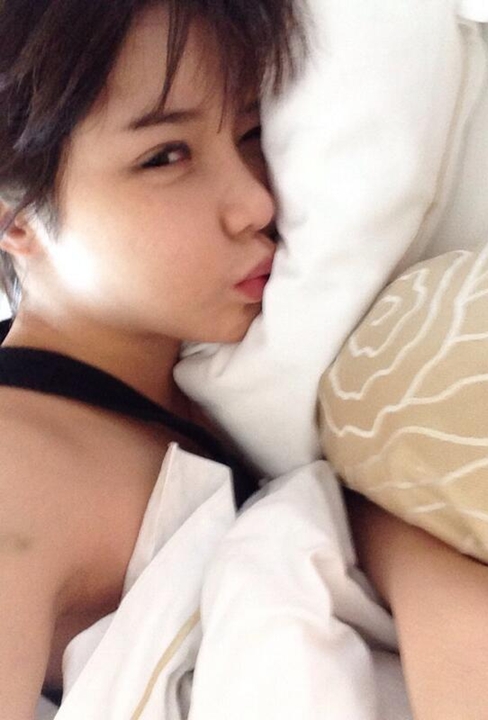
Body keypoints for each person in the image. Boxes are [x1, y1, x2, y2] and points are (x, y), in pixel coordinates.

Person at [0, 1, 303, 717]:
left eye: (251, 133)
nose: (256, 203)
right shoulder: (18, 464)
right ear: (16, 218)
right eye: (165, 156)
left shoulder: (217, 364)